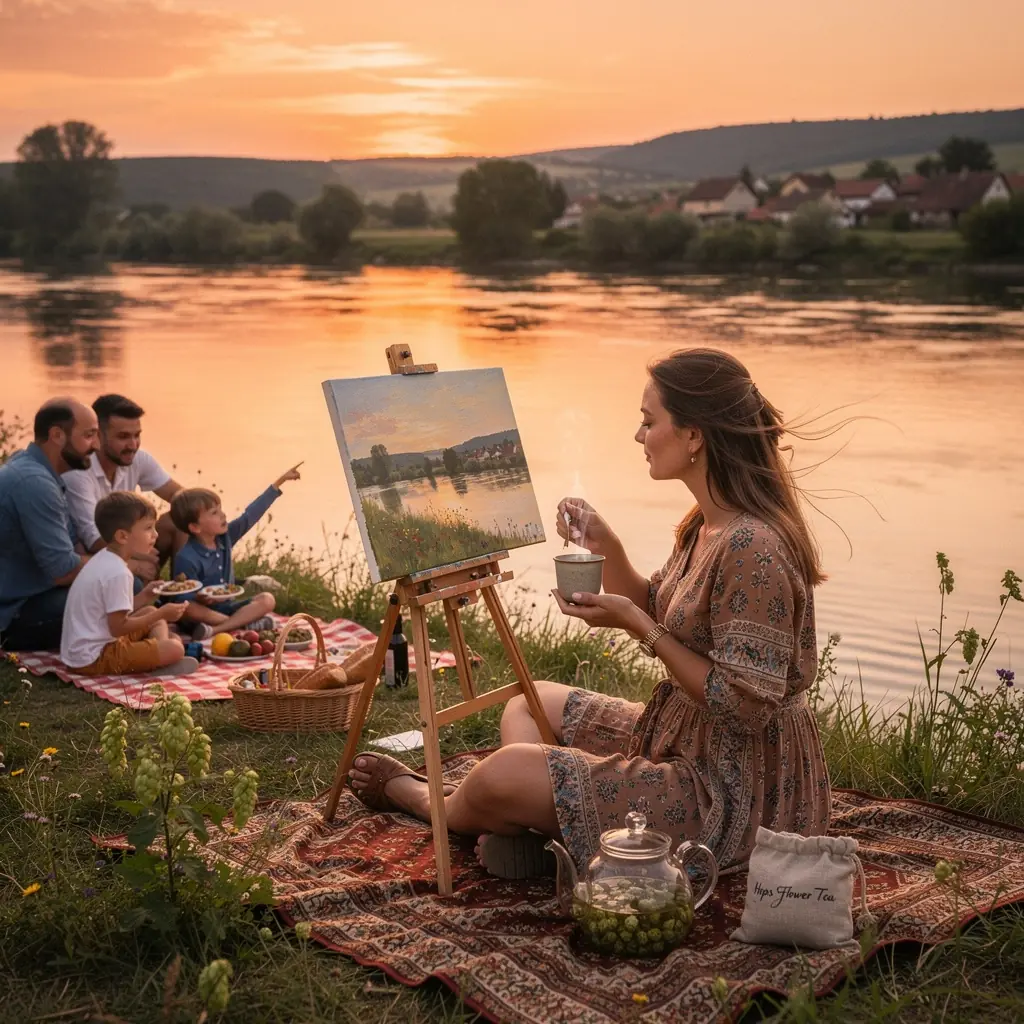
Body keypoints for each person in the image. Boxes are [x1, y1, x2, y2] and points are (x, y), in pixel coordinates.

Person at [347, 348, 832, 877]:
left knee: (506, 771)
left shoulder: (752, 546)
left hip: (733, 786)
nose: (638, 436)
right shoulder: (706, 523)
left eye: (650, 422)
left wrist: (636, 625)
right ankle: (541, 833)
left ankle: (427, 802)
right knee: (526, 706)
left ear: (695, 435)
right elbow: (664, 609)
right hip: (684, 736)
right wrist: (610, 550)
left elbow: (741, 705)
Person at [60, 492, 197, 677]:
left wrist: (145, 596)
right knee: (174, 647)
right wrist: (162, 612)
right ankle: (160, 661)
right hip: (94, 657)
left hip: (85, 649)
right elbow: (118, 627)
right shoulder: (118, 572)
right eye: (148, 528)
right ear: (123, 536)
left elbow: (113, 611)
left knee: (152, 615)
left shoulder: (104, 559)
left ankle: (159, 656)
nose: (155, 535)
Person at [0, 399, 99, 651]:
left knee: (122, 587)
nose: (96, 445)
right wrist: (117, 560)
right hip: (12, 614)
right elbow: (63, 570)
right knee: (122, 591)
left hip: (28, 594)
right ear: (57, 435)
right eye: (88, 436)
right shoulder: (35, 483)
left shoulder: (30, 465)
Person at [169, 465, 302, 638]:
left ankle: (219, 629)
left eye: (221, 509)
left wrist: (279, 482)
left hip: (227, 608)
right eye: (214, 513)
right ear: (195, 527)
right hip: (201, 614)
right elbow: (183, 599)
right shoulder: (186, 557)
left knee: (267, 599)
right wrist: (201, 598)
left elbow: (250, 516)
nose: (223, 515)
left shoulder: (225, 538)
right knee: (188, 607)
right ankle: (241, 624)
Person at [62, 394, 183, 582]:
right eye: (123, 437)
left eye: (137, 435)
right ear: (97, 436)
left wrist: (207, 516)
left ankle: (185, 592)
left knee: (181, 518)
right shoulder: (78, 473)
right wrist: (136, 557)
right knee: (132, 575)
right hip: (94, 555)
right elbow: (93, 540)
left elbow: (181, 497)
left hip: (128, 541)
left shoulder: (138, 459)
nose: (133, 445)